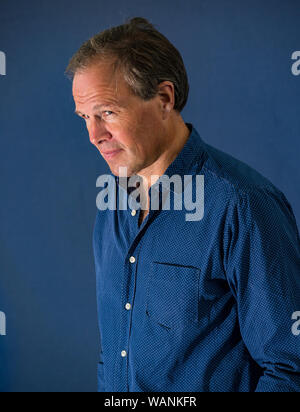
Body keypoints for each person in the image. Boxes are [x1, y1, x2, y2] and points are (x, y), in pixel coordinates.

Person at [66, 17, 300, 392]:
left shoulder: (243, 205)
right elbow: (117, 353)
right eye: (85, 118)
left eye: (107, 112)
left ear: (164, 100)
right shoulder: (111, 203)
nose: (94, 135)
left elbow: (290, 368)